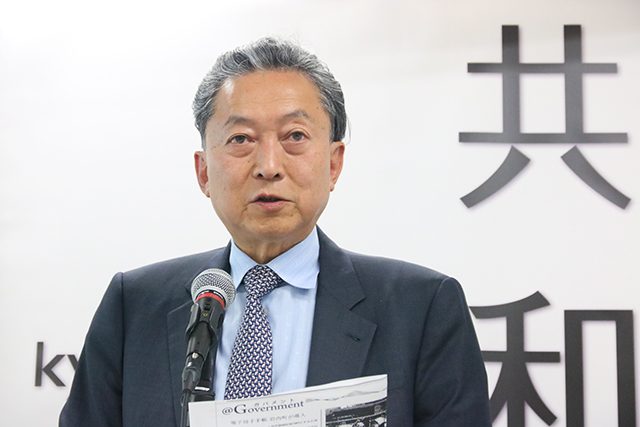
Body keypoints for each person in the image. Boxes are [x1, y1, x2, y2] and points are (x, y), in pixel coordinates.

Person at [59, 37, 491, 426]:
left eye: (295, 136)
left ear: (334, 163)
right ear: (204, 171)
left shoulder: (422, 308)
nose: (268, 165)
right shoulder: (134, 306)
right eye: (241, 139)